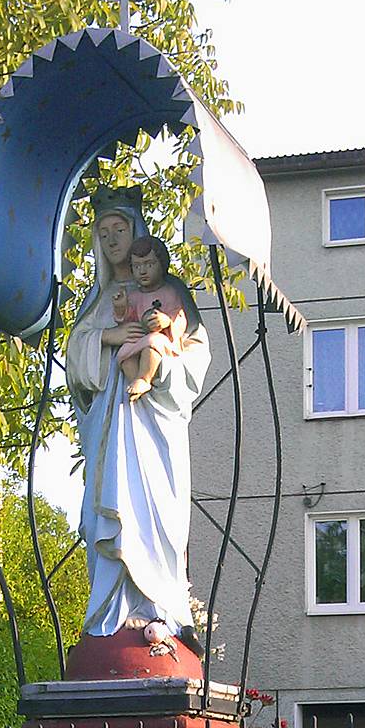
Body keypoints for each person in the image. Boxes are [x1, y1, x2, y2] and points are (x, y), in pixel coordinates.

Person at [65, 186, 211, 650]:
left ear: (137, 234)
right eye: (103, 232)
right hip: (111, 431)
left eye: (120, 230)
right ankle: (111, 615)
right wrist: (107, 337)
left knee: (156, 518)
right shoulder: (99, 300)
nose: (112, 240)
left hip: (155, 428)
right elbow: (75, 363)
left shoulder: (170, 294)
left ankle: (161, 613)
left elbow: (195, 353)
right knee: (106, 518)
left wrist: (160, 362)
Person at [112, 234, 189, 401]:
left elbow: (180, 317)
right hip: (139, 338)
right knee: (124, 353)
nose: (143, 271)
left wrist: (167, 321)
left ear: (162, 264)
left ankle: (144, 379)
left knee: (152, 343)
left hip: (162, 340)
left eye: (149, 264)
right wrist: (121, 307)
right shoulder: (134, 296)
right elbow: (128, 320)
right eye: (137, 266)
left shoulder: (169, 292)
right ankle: (135, 383)